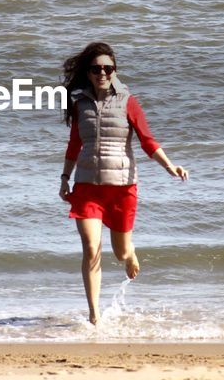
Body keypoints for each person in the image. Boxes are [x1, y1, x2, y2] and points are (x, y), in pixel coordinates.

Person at [58, 42, 188, 324]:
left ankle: (130, 255)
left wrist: (170, 166)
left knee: (119, 251)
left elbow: (147, 140)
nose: (102, 73)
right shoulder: (79, 103)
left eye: (108, 68)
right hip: (87, 186)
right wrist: (65, 178)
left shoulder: (128, 101)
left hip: (121, 188)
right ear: (89, 73)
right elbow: (74, 145)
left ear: (114, 71)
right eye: (96, 69)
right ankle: (94, 317)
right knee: (91, 248)